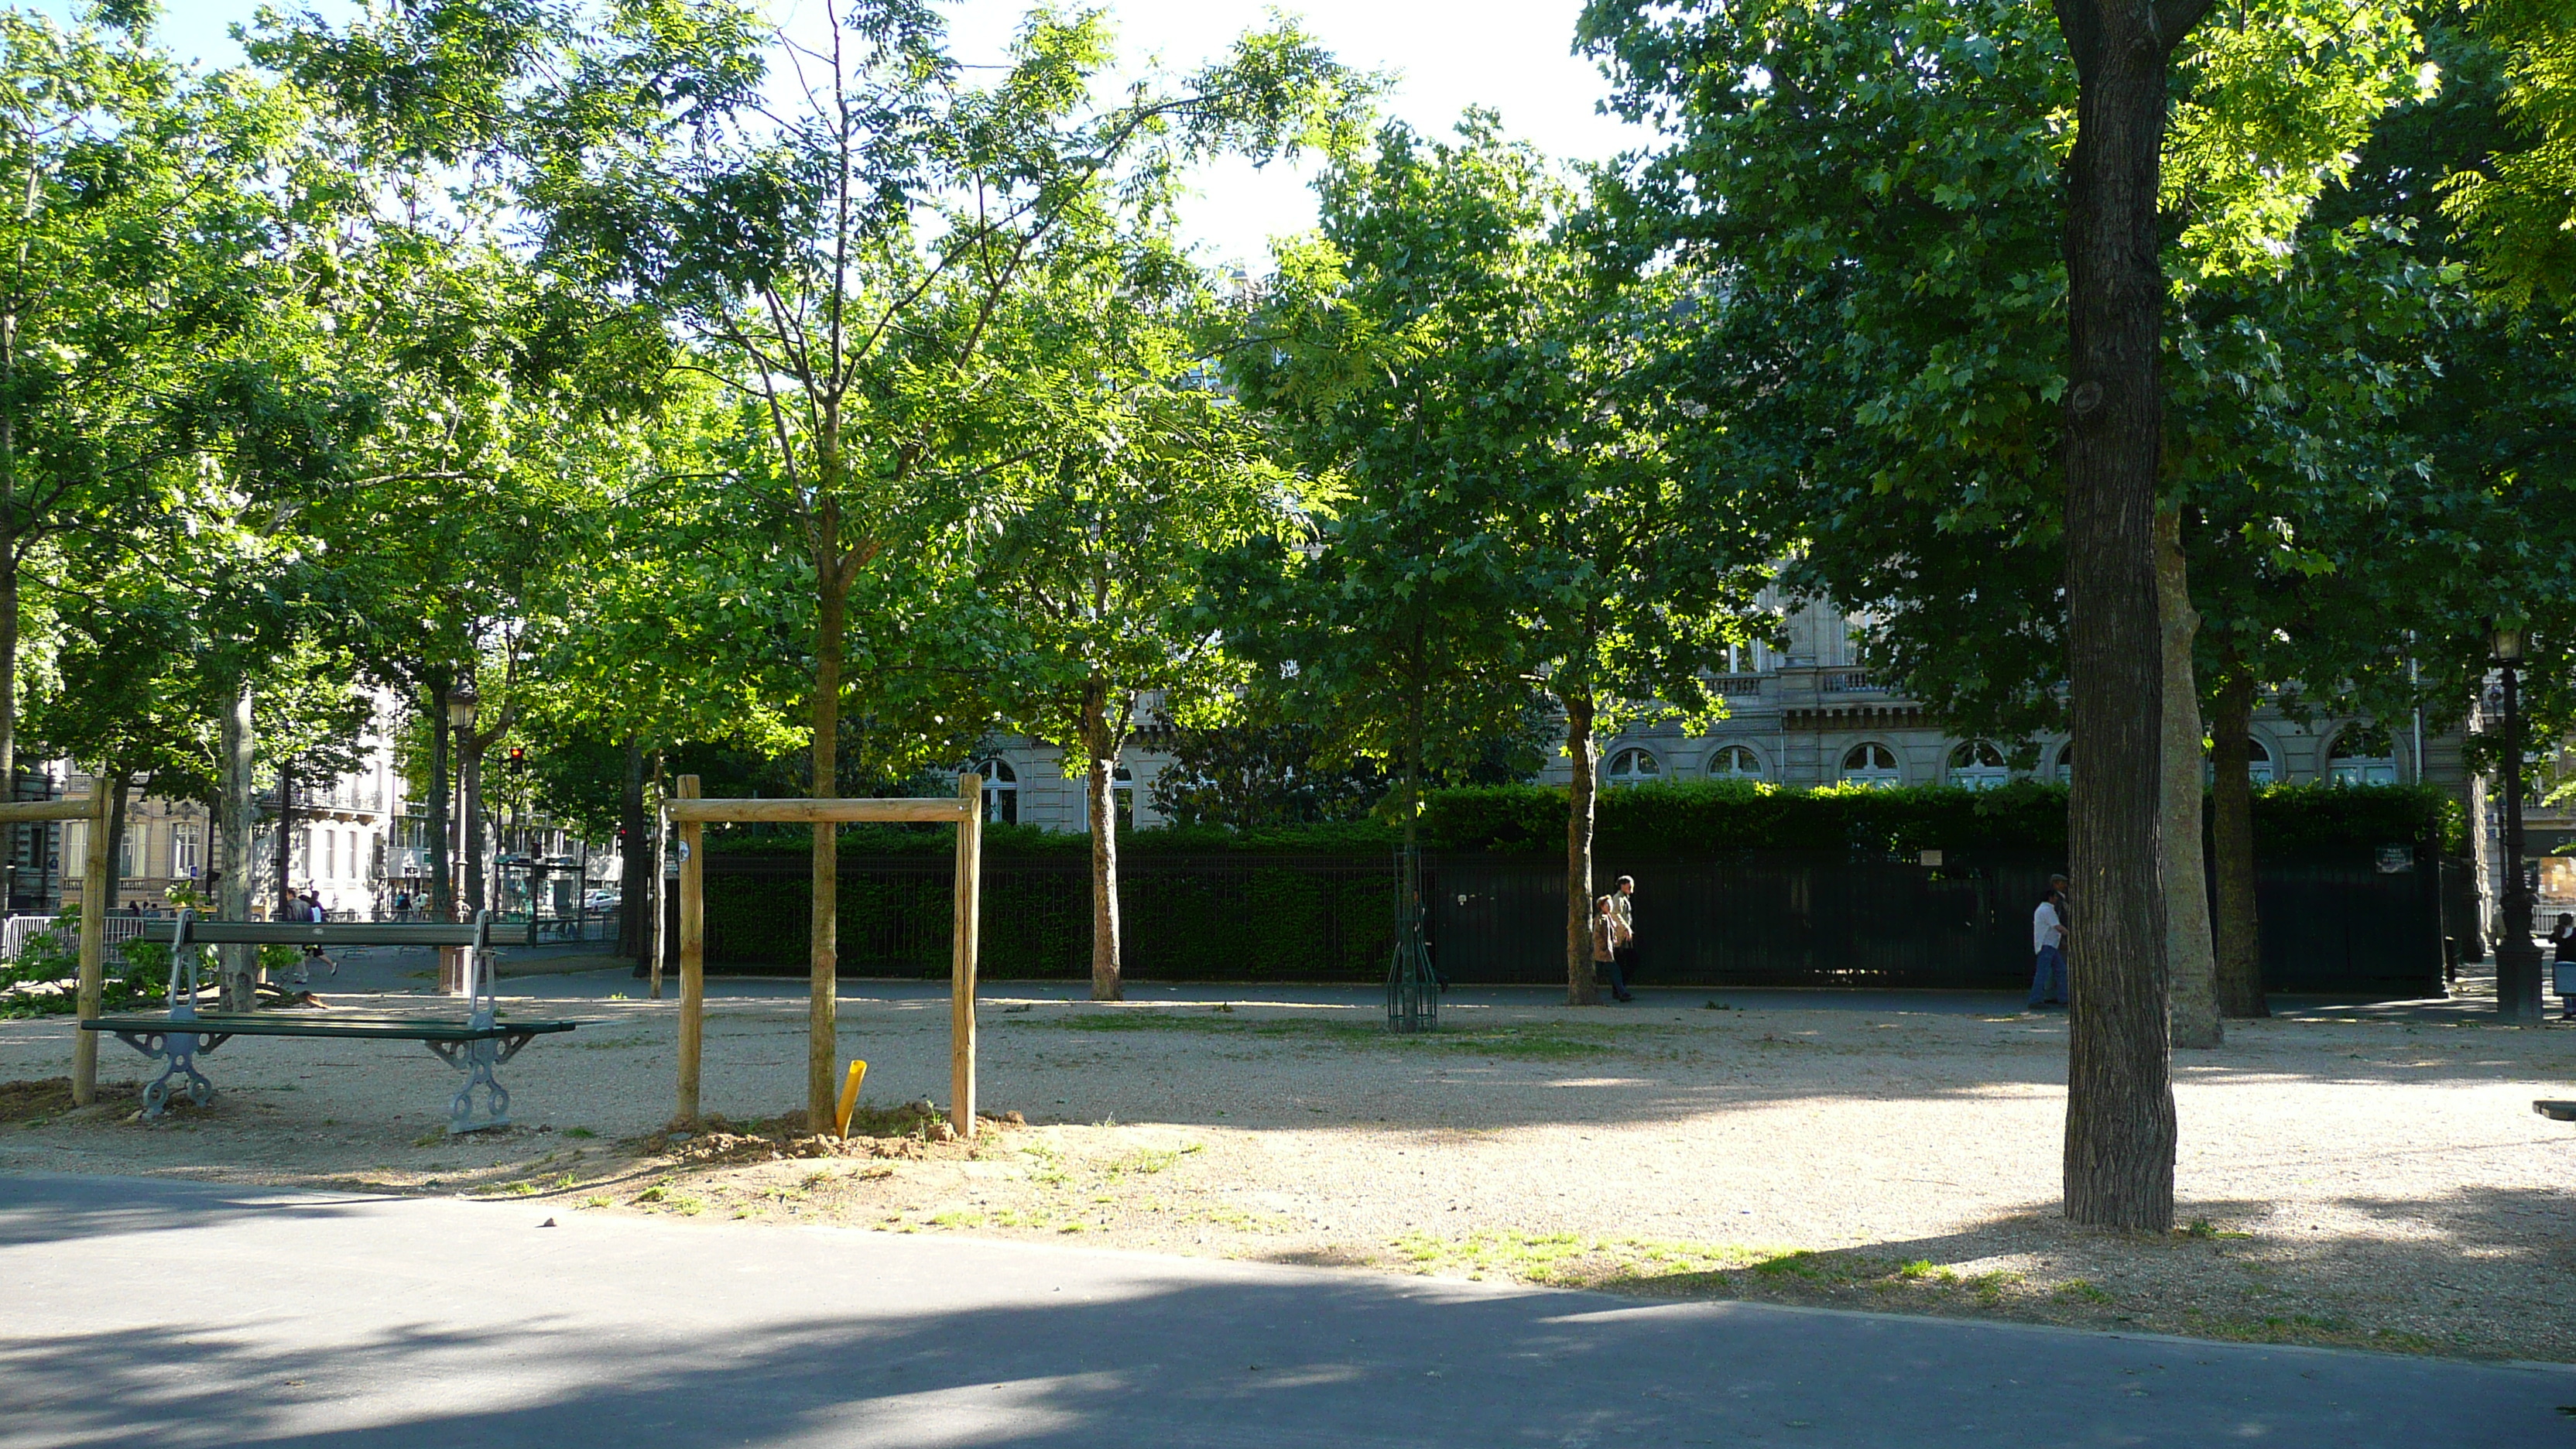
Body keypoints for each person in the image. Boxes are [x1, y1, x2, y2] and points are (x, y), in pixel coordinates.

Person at [2030, 881, 2068, 1010]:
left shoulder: (2043, 909)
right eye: (2055, 897)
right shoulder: (2047, 910)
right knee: (2043, 973)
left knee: (2061, 970)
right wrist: (2070, 934)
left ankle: (2064, 997)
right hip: (2047, 945)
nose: (2056, 899)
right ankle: (2036, 999)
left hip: (2051, 945)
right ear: (2050, 898)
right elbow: (2057, 927)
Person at [1592, 894, 1633, 1002]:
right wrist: (1604, 947)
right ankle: (1622, 993)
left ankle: (1620, 992)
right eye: (1607, 904)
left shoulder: (1608, 917)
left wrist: (1614, 942)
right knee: (1615, 971)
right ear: (1601, 906)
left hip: (1606, 951)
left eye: (1610, 904)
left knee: (1600, 972)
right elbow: (1597, 935)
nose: (1609, 906)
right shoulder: (1601, 919)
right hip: (1603, 952)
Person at [1608, 875, 1640, 991]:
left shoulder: (1623, 898)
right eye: (1629, 886)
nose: (1631, 889)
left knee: (1623, 963)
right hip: (1620, 937)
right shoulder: (1618, 898)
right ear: (1622, 886)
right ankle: (1619, 989)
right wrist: (1626, 927)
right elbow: (1615, 914)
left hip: (1623, 936)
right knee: (1625, 962)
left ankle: (1619, 989)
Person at [2554, 913, 2576, 1021]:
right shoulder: (2575, 932)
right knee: (2574, 984)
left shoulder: (2558, 932)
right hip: (2574, 960)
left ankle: (2568, 1009)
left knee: (2564, 986)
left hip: (2560, 960)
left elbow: (2551, 940)